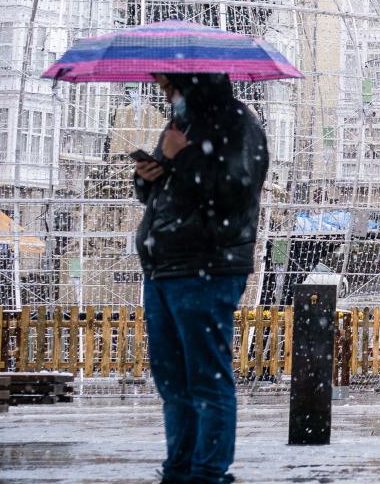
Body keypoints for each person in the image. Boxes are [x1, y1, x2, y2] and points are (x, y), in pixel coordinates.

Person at [133, 72, 269, 484]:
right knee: (172, 378)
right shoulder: (180, 126)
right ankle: (180, 467)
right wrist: (148, 175)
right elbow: (161, 194)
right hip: (163, 267)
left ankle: (207, 473)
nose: (164, 94)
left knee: (206, 378)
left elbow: (235, 191)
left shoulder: (239, 124)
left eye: (168, 86)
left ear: (190, 82)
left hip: (206, 268)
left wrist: (181, 159)